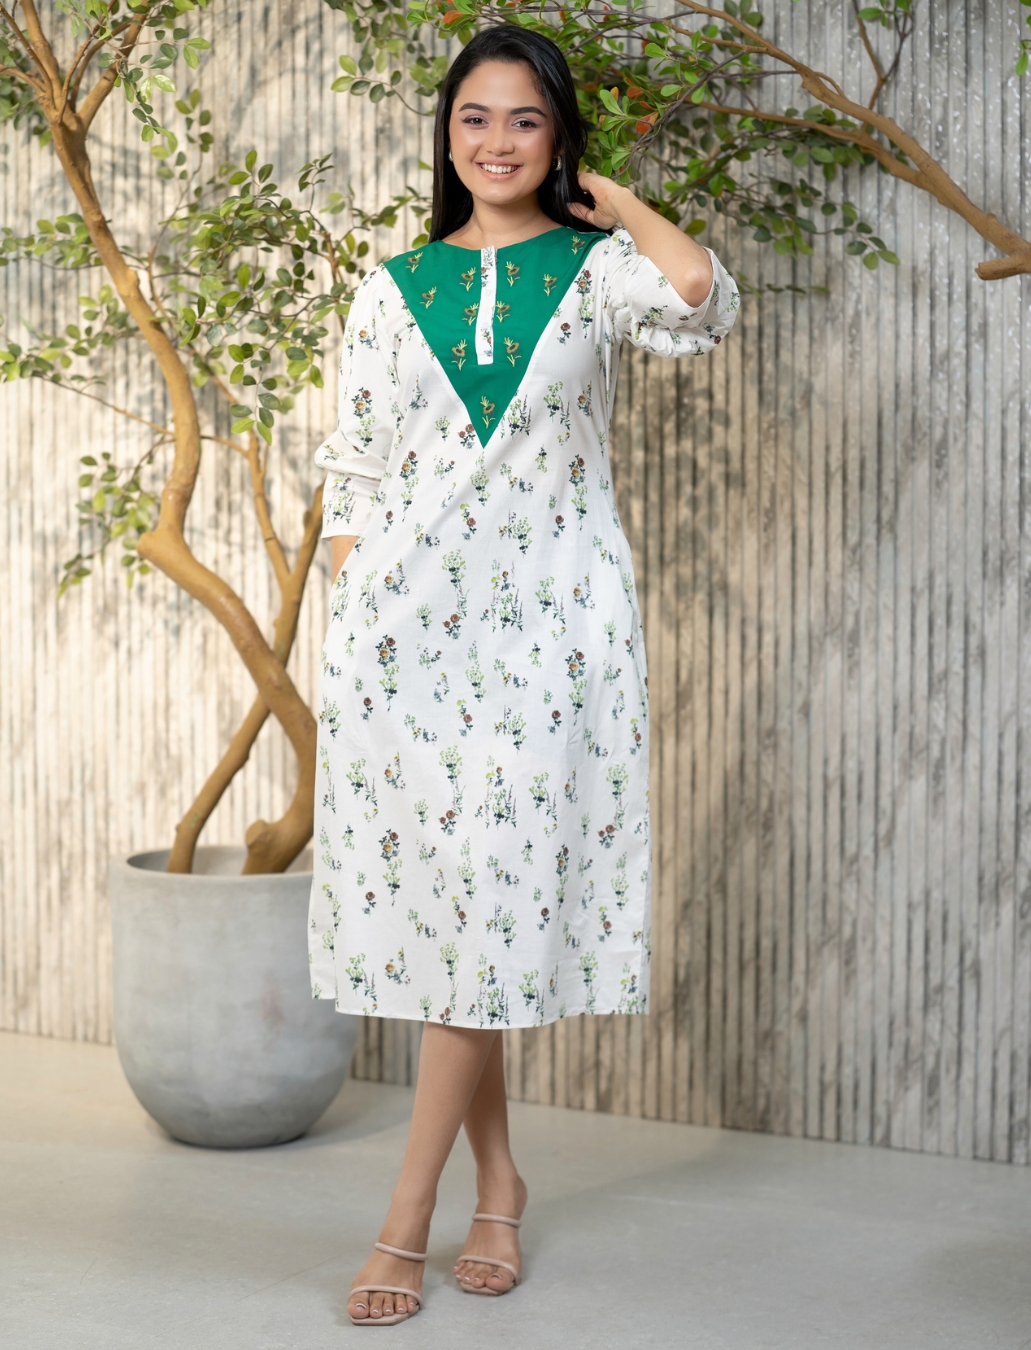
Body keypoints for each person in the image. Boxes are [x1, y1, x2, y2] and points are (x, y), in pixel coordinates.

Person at [308, 23, 740, 1326]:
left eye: (526, 120)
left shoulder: (596, 272)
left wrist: (613, 201)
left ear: (558, 140)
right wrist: (350, 625)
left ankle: (405, 1221)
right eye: (475, 118)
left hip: (550, 641)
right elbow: (354, 473)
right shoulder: (390, 287)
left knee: (490, 898)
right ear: (446, 134)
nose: (496, 141)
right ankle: (499, 1183)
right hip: (406, 639)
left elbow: (697, 297)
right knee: (464, 921)